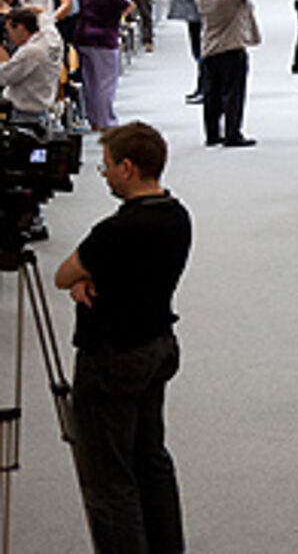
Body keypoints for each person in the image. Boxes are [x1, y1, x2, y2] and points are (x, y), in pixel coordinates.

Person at [54, 122, 191, 553]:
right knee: (150, 459)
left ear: (128, 168)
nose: (105, 174)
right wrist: (88, 278)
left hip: (111, 357)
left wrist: (83, 280)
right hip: (156, 345)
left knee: (108, 478)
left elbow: (63, 275)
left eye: (108, 166)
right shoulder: (176, 216)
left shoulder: (115, 231)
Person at [195, 0, 261, 148]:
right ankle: (233, 133)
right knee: (233, 93)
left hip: (209, 48)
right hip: (231, 47)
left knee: (211, 94)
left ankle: (212, 134)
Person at [74, 0, 134, 131]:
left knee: (90, 82)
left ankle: (93, 119)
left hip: (83, 36)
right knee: (105, 83)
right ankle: (106, 120)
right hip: (104, 39)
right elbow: (128, 6)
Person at [0, 9, 57, 125]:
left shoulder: (30, 52)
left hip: (24, 116)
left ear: (20, 28)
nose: (9, 36)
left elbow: (3, 76)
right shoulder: (52, 39)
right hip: (42, 111)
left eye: (9, 31)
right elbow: (45, 18)